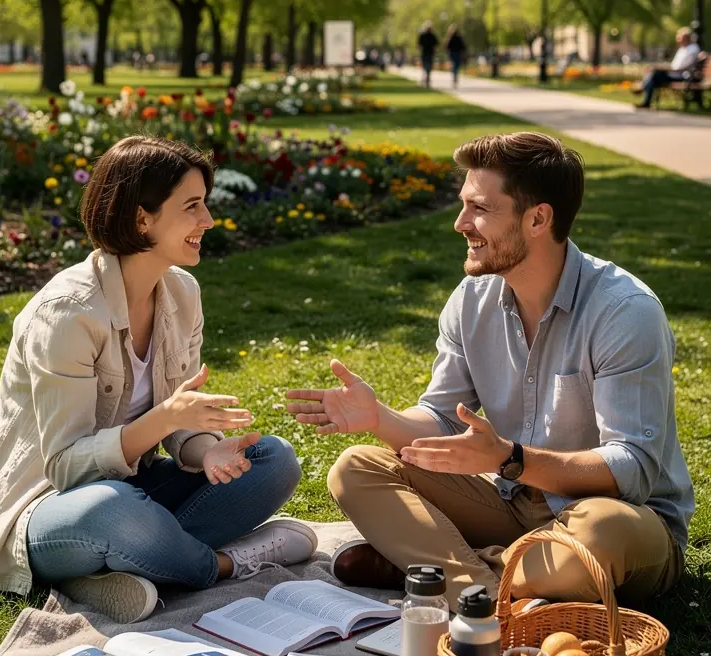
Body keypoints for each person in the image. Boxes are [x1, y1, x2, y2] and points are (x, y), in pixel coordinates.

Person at [287, 131, 693, 612]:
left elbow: (633, 470)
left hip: (619, 519)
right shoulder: (471, 299)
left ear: (539, 218)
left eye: (479, 208)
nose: (461, 223)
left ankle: (430, 572)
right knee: (357, 468)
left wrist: (510, 457)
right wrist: (379, 419)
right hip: (510, 502)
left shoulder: (624, 311)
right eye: (464, 205)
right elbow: (441, 421)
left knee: (602, 532)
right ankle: (492, 594)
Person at [0, 136, 315, 624]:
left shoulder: (182, 293)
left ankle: (115, 567)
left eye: (205, 205)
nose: (207, 221)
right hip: (45, 507)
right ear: (142, 219)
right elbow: (65, 468)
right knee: (115, 511)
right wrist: (165, 419)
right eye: (192, 207)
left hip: (132, 487)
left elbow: (181, 417)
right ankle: (223, 565)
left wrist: (204, 450)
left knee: (273, 460)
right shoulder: (68, 315)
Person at [636, 27, 701, 108]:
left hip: (683, 76)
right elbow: (674, 65)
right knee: (653, 76)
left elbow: (680, 68)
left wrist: (660, 68)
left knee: (655, 75)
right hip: (674, 74)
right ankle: (645, 95)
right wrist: (658, 67)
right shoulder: (683, 49)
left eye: (679, 38)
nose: (678, 41)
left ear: (686, 38)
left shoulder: (692, 49)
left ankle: (643, 90)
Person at [417, 21, 439, 87]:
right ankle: (427, 78)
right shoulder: (431, 35)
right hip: (429, 52)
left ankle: (426, 78)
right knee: (427, 66)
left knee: (425, 65)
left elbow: (419, 44)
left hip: (426, 52)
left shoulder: (423, 35)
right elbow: (436, 44)